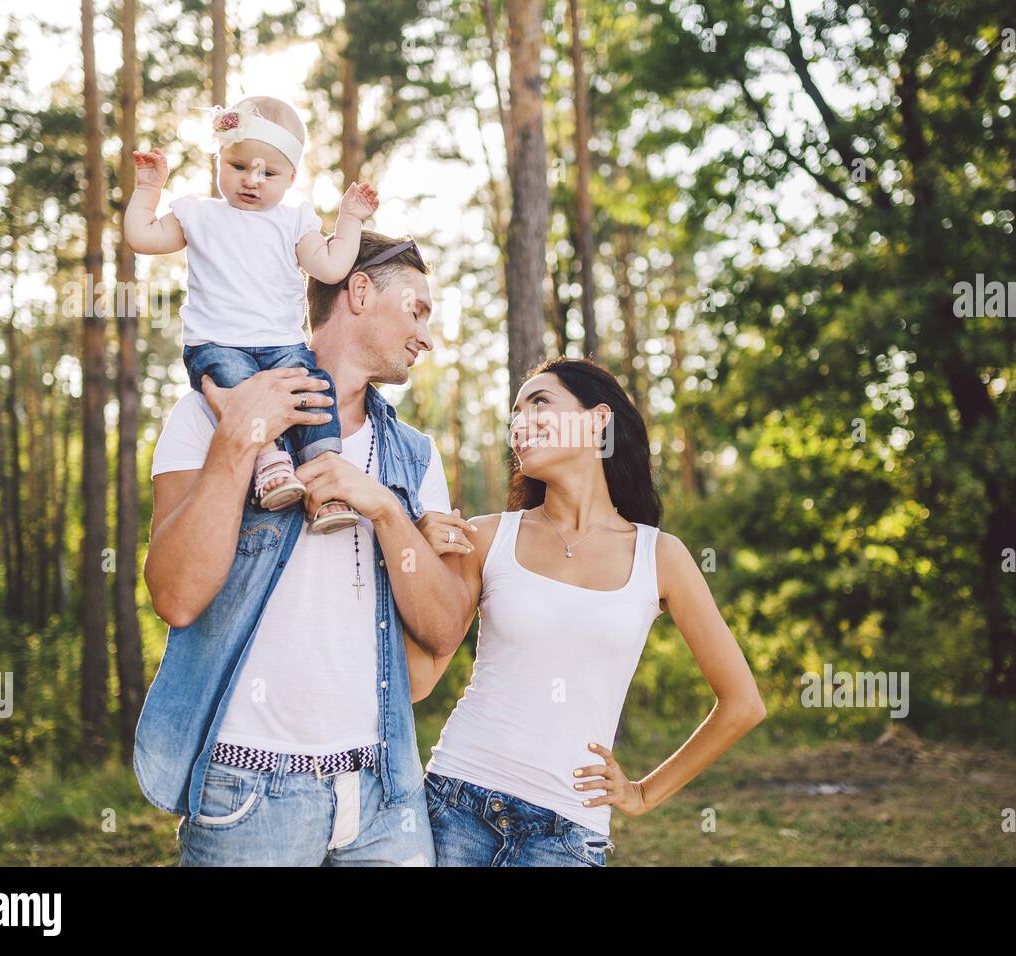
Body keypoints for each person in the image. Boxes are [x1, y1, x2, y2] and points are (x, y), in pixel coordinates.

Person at [134, 230, 472, 866]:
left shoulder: (414, 457)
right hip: (247, 790)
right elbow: (175, 596)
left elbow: (444, 628)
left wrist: (384, 509)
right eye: (417, 310)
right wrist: (240, 439)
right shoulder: (203, 417)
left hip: (383, 793)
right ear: (360, 291)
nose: (426, 336)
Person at [408, 357, 767, 866]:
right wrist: (407, 553)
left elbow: (743, 704)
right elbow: (418, 680)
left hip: (567, 836)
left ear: (598, 420)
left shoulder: (660, 557)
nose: (520, 423)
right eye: (515, 414)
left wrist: (643, 794)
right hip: (455, 804)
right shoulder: (486, 537)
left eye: (539, 402)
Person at [125, 94, 379, 533]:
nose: (251, 180)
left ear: (291, 177)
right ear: (219, 159)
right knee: (240, 393)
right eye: (238, 166)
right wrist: (149, 189)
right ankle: (269, 463)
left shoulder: (293, 221)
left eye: (268, 173)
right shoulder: (198, 214)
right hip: (217, 345)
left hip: (283, 346)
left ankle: (327, 484)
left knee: (315, 397)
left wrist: (350, 219)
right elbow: (142, 237)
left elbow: (332, 266)